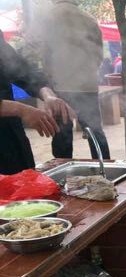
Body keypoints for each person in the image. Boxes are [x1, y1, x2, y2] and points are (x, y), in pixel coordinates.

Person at [31, 0, 109, 160]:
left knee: (62, 138)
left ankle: (62, 180)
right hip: (87, 86)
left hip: (59, 89)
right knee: (96, 134)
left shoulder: (45, 17)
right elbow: (98, 55)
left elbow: (35, 53)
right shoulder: (89, 19)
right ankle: (107, 172)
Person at [0, 30, 73, 174]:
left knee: (25, 186)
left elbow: (24, 71)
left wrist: (48, 95)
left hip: (11, 138)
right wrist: (20, 109)